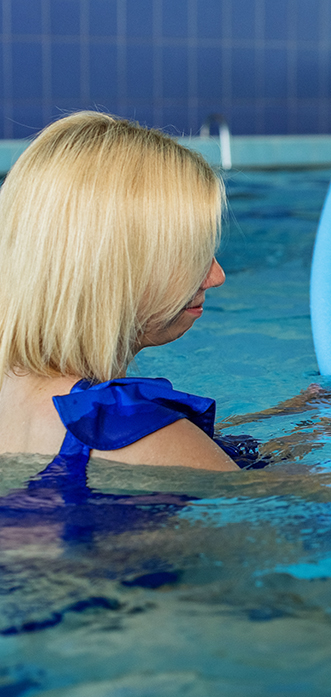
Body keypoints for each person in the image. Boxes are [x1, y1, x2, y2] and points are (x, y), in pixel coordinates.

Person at [0, 111, 240, 481]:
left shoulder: (15, 392)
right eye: (194, 255)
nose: (216, 276)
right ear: (119, 270)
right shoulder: (139, 434)